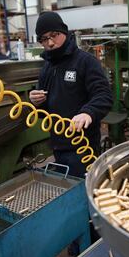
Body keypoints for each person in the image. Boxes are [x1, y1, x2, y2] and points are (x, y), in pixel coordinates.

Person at [29, 11, 112, 178]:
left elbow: (104, 94)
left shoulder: (85, 61)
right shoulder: (47, 67)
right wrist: (35, 102)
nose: (50, 43)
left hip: (82, 145)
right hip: (58, 145)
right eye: (44, 39)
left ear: (64, 32)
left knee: (84, 189)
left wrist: (87, 112)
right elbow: (45, 108)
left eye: (54, 35)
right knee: (67, 188)